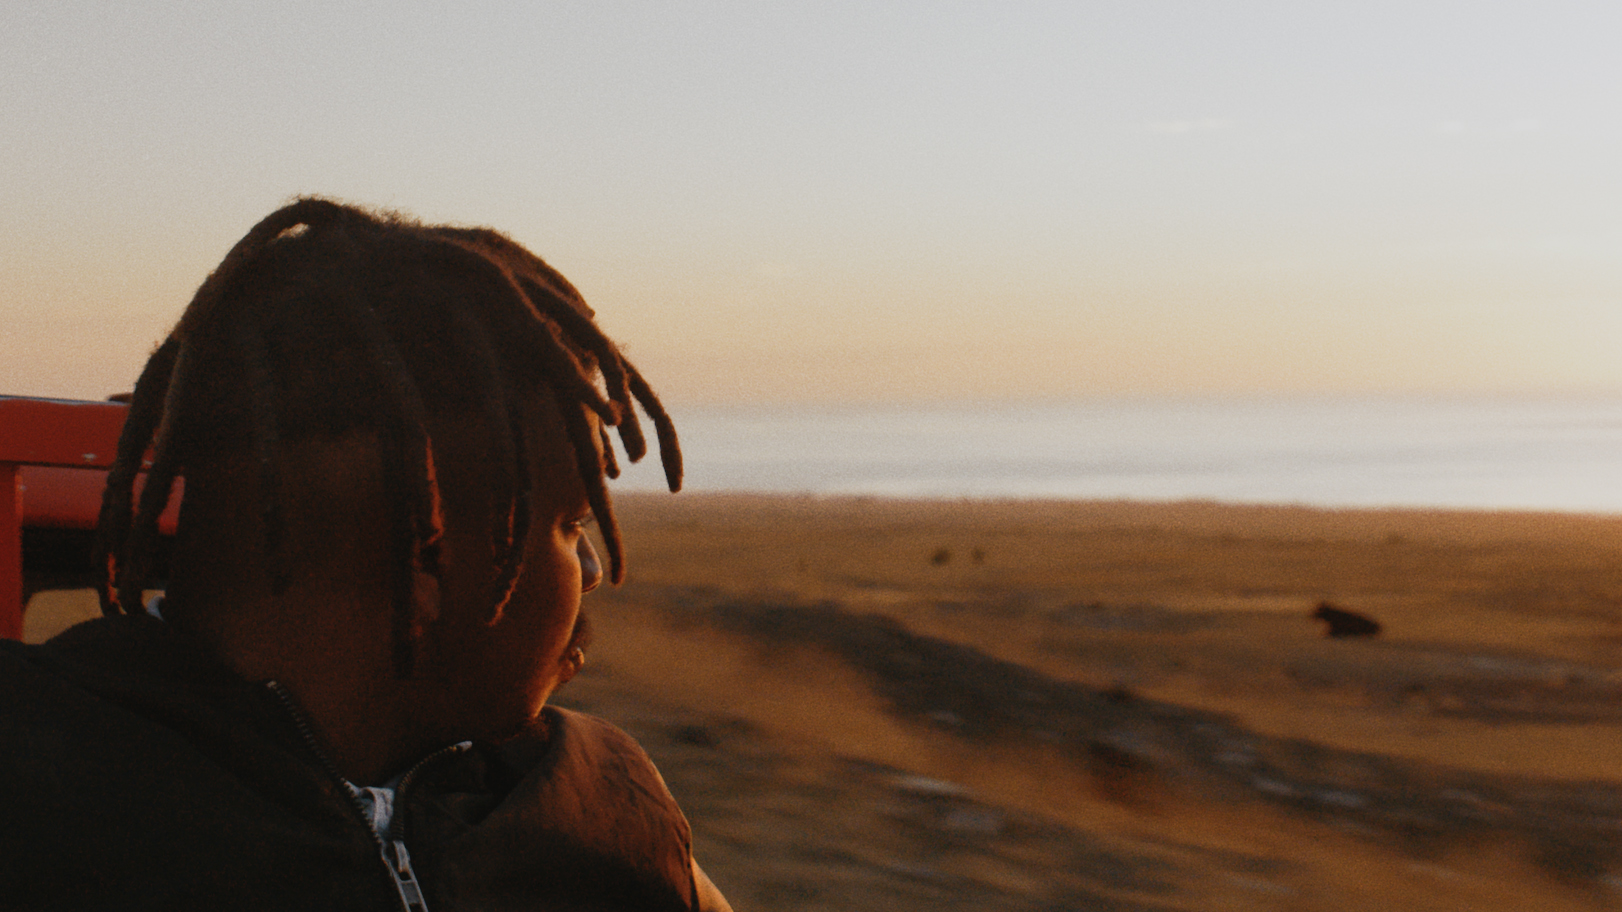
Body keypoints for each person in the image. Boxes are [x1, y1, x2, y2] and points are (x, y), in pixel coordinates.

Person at [0, 198, 734, 911]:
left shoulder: (602, 803)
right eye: (571, 526)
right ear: (429, 560)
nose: (595, 571)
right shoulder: (39, 787)